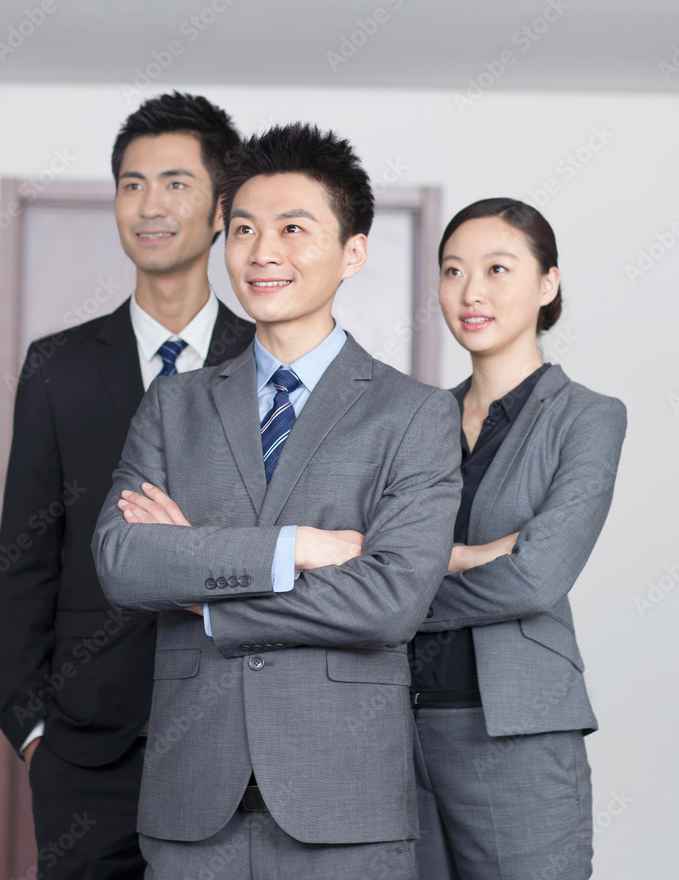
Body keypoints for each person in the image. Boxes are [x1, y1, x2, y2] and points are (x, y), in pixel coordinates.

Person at [91, 122, 462, 880]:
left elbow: (388, 601)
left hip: (345, 805)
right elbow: (124, 563)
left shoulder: (413, 414)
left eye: (293, 228)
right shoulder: (173, 404)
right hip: (193, 801)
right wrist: (294, 546)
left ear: (351, 252)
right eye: (243, 230)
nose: (262, 252)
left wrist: (206, 599)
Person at [0, 92, 255, 879]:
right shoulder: (57, 365)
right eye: (132, 184)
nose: (149, 205)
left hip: (229, 736)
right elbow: (26, 556)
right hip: (84, 746)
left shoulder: (265, 366)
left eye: (176, 183)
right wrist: (30, 724)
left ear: (219, 211)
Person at [410, 198, 627, 880]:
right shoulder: (416, 422)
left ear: (545, 285)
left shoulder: (586, 418)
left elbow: (537, 576)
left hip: (516, 727)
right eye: (451, 271)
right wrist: (473, 554)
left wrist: (412, 582)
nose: (469, 291)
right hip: (394, 727)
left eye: (496, 268)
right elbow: (371, 560)